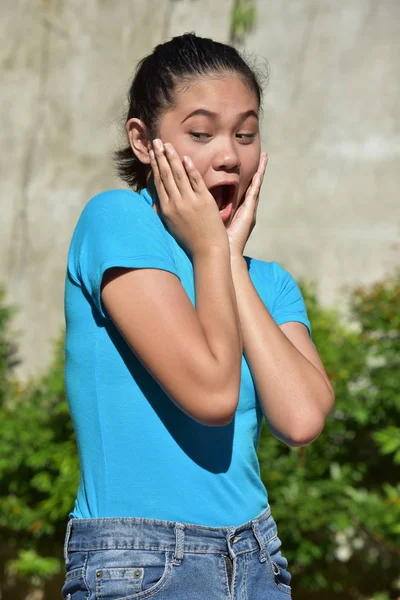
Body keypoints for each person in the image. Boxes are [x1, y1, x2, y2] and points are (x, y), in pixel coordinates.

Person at [62, 33, 334, 600]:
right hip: (140, 564)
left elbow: (302, 419)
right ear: (143, 140)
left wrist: (229, 261)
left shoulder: (269, 283)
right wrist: (213, 249)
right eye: (201, 133)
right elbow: (212, 395)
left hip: (258, 558)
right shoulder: (116, 223)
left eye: (245, 134)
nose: (229, 155)